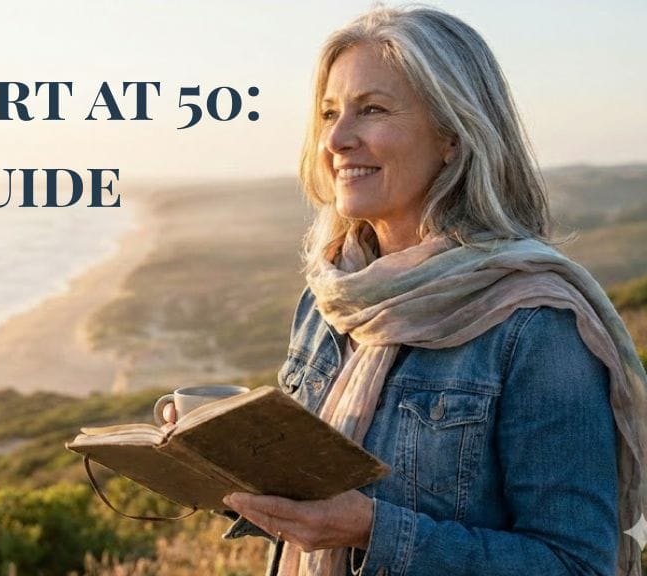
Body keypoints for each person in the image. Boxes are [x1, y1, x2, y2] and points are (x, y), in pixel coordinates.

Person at [213, 6, 647, 576]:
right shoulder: (333, 298)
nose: (338, 139)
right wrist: (211, 449)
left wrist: (370, 529)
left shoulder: (535, 325)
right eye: (328, 113)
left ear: (451, 134)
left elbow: (577, 563)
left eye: (371, 110)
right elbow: (303, 489)